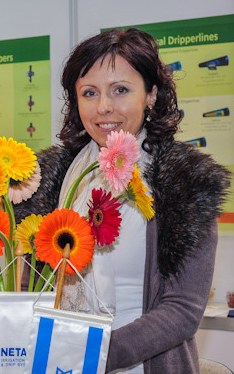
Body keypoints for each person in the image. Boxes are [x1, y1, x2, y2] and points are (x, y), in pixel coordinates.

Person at [13, 28, 230, 373]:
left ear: (151, 95)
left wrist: (95, 354)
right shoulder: (50, 178)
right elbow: (34, 286)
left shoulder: (185, 180)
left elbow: (183, 310)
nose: (104, 107)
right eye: (89, 93)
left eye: (121, 90)